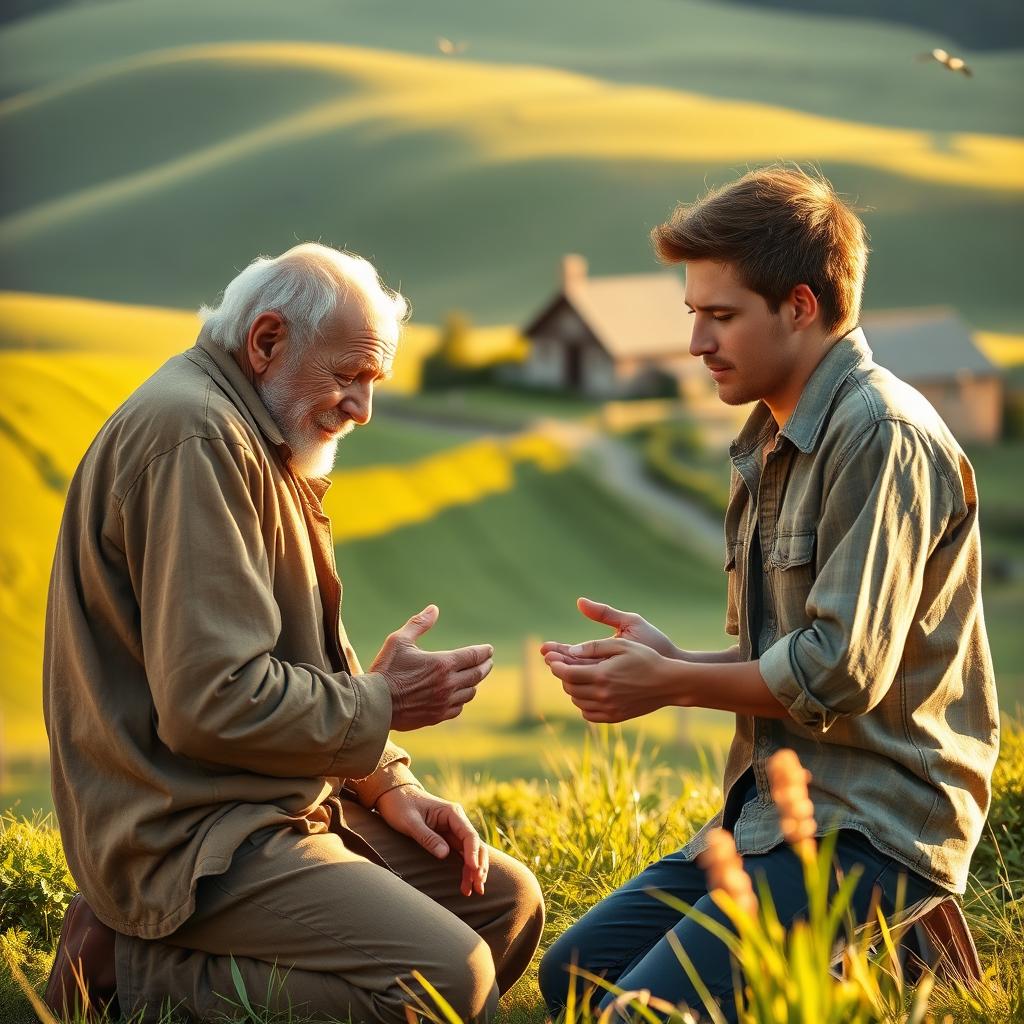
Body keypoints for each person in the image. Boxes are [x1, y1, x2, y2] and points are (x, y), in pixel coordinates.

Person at [537, 167, 999, 1020]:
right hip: (772, 811)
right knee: (575, 976)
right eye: (693, 316)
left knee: (637, 1016)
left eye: (720, 316)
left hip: (875, 820)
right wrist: (674, 659)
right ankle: (874, 960)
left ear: (799, 306)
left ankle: (891, 930)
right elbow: (784, 657)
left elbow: (836, 672)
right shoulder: (773, 438)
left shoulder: (881, 435)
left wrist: (672, 686)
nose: (696, 343)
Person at [42, 243, 544, 1024]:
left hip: (267, 800)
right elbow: (214, 700)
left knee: (505, 906)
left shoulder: (256, 431)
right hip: (188, 835)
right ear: (267, 340)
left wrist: (388, 780)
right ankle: (134, 970)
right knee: (452, 980)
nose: (362, 409)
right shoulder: (198, 440)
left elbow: (298, 651)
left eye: (372, 383)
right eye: (349, 376)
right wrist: (383, 700)